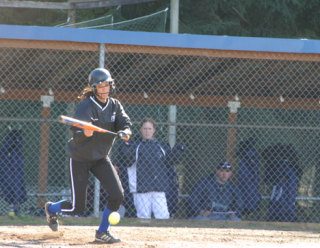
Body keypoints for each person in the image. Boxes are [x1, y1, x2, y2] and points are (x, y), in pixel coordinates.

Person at [44, 68, 132, 244]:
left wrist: (125, 131)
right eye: (100, 86)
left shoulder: (115, 105)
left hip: (100, 158)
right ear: (94, 88)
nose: (104, 88)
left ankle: (102, 232)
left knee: (117, 195)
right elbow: (76, 135)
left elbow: (126, 124)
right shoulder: (86, 105)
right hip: (80, 158)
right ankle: (52, 208)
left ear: (111, 85)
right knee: (78, 208)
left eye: (106, 84)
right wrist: (85, 133)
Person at [120, 117, 184, 219]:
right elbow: (126, 159)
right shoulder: (135, 146)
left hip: (158, 187)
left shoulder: (161, 146)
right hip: (140, 188)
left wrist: (178, 150)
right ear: (140, 130)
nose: (147, 131)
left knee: (163, 216)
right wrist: (125, 141)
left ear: (154, 130)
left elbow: (170, 161)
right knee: (143, 218)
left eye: (149, 129)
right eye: (144, 128)